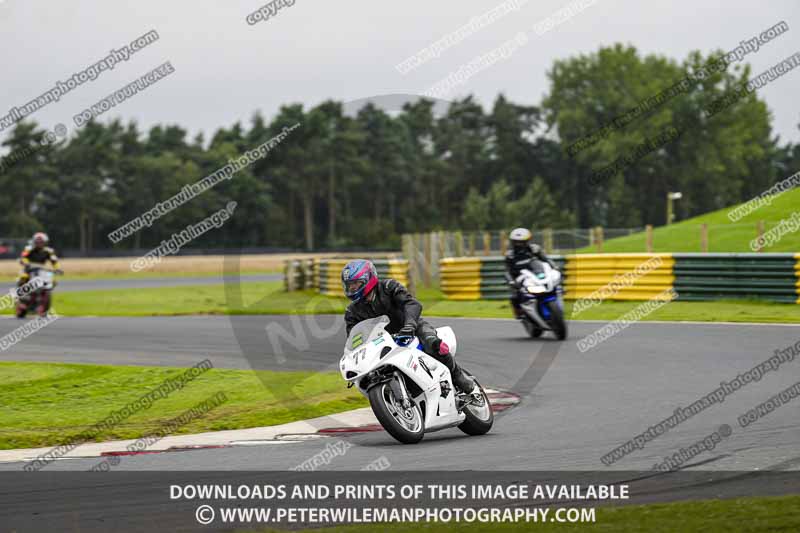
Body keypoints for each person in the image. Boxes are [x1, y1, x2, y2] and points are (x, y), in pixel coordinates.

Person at [342, 259, 474, 394]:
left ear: (368, 278)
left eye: (355, 284)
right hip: (384, 345)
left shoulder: (388, 287)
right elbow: (354, 338)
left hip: (411, 328)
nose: (352, 288)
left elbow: (412, 304)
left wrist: (409, 325)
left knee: (434, 344)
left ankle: (458, 377)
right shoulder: (352, 312)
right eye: (349, 285)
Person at [504, 228, 555, 319]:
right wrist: (511, 281)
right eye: (516, 242)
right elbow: (507, 271)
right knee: (514, 296)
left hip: (536, 274)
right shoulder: (510, 255)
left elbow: (546, 260)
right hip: (519, 277)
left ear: (527, 241)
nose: (519, 244)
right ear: (512, 242)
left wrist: (554, 267)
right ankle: (518, 312)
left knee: (553, 284)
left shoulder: (535, 249)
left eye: (521, 242)